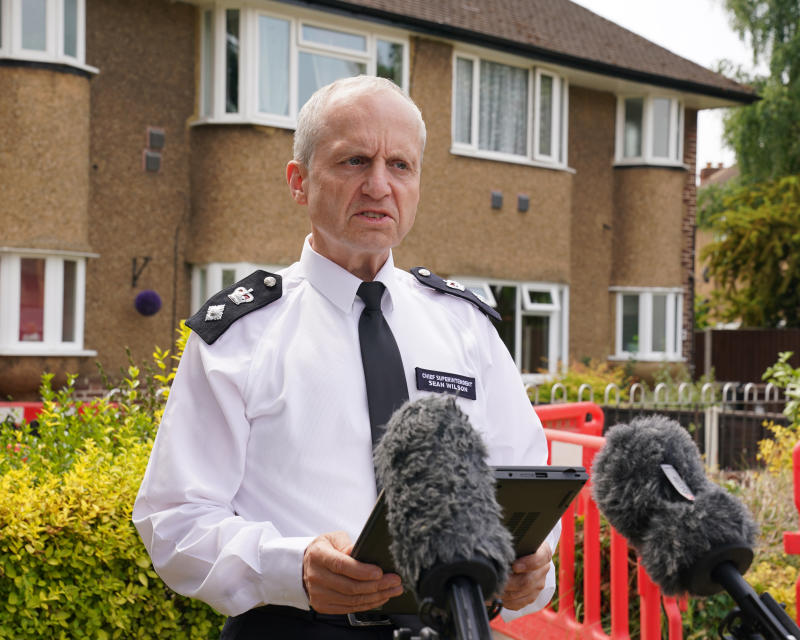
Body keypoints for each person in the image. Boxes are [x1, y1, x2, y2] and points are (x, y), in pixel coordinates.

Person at [133, 75, 559, 639]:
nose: (379, 185)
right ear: (299, 181)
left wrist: (532, 574)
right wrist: (292, 566)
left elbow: (521, 483)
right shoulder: (242, 334)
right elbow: (174, 520)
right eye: (355, 161)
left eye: (400, 165)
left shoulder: (465, 325)